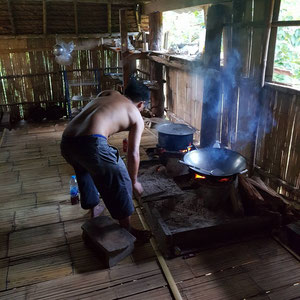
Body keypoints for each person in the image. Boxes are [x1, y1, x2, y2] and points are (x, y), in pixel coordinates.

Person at [60, 78, 151, 242]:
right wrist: (134, 180)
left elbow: (100, 111)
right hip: (91, 144)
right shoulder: (136, 115)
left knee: (84, 169)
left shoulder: (109, 93)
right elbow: (133, 154)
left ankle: (93, 210)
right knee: (120, 177)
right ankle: (127, 229)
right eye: (144, 107)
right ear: (141, 104)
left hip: (67, 142)